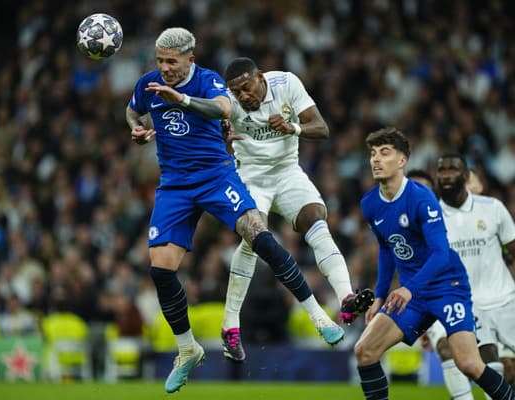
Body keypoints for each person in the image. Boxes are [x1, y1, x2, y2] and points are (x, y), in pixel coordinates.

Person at [125, 28, 344, 393]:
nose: (165, 68)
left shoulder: (209, 81)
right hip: (175, 186)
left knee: (258, 235)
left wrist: (181, 99)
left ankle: (318, 315)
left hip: (215, 177)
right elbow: (133, 112)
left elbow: (223, 108)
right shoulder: (148, 84)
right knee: (161, 269)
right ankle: (187, 350)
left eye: (172, 62)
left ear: (189, 59)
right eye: (161, 61)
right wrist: (136, 129)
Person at [219, 57, 374, 362]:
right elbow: (212, 132)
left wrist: (293, 127)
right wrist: (221, 137)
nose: (243, 96)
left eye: (247, 87)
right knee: (254, 236)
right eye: (237, 92)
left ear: (260, 78)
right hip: (250, 175)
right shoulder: (228, 102)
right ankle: (231, 325)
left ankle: (346, 297)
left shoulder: (286, 83)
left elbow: (322, 128)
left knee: (316, 218)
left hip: (288, 172)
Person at [355, 127, 514, 400]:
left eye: (384, 153)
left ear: (402, 161)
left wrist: (407, 289)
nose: (376, 160)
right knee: (364, 351)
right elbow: (386, 249)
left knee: (469, 363)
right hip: (414, 296)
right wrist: (380, 296)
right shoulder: (370, 203)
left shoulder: (422, 198)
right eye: (372, 154)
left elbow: (440, 254)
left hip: (447, 287)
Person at [423, 153, 515, 400]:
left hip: (505, 301)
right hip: (462, 304)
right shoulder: (430, 217)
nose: (446, 175)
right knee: (478, 359)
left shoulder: (492, 208)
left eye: (453, 169)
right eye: (441, 170)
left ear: (465, 176)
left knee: (506, 369)